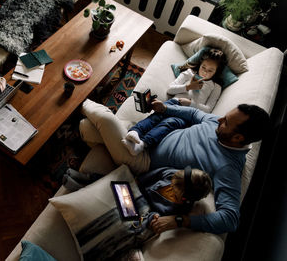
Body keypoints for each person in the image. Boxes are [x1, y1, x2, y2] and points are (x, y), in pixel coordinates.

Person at [79, 98, 271, 234]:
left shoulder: (227, 168)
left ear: (238, 138)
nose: (219, 119)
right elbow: (195, 113)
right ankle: (82, 129)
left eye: (226, 122)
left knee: (104, 119)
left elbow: (230, 219)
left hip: (143, 162)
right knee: (86, 127)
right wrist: (165, 109)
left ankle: (80, 99)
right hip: (150, 137)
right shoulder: (217, 124)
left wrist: (179, 221)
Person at [78, 166, 212, 261]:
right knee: (116, 185)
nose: (170, 187)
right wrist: (131, 193)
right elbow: (140, 180)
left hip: (144, 210)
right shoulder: (169, 173)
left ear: (184, 198)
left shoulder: (182, 207)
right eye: (171, 182)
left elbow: (159, 216)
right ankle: (84, 180)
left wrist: (154, 217)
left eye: (174, 190)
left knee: (132, 226)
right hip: (135, 192)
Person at [122, 48, 226, 156]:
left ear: (216, 72)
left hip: (188, 114)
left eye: (210, 71)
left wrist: (190, 104)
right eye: (203, 67)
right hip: (174, 103)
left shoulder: (215, 87)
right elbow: (170, 89)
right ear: (200, 64)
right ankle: (135, 131)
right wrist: (188, 87)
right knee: (157, 116)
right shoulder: (189, 73)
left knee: (170, 123)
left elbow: (208, 110)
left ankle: (143, 144)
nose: (204, 72)